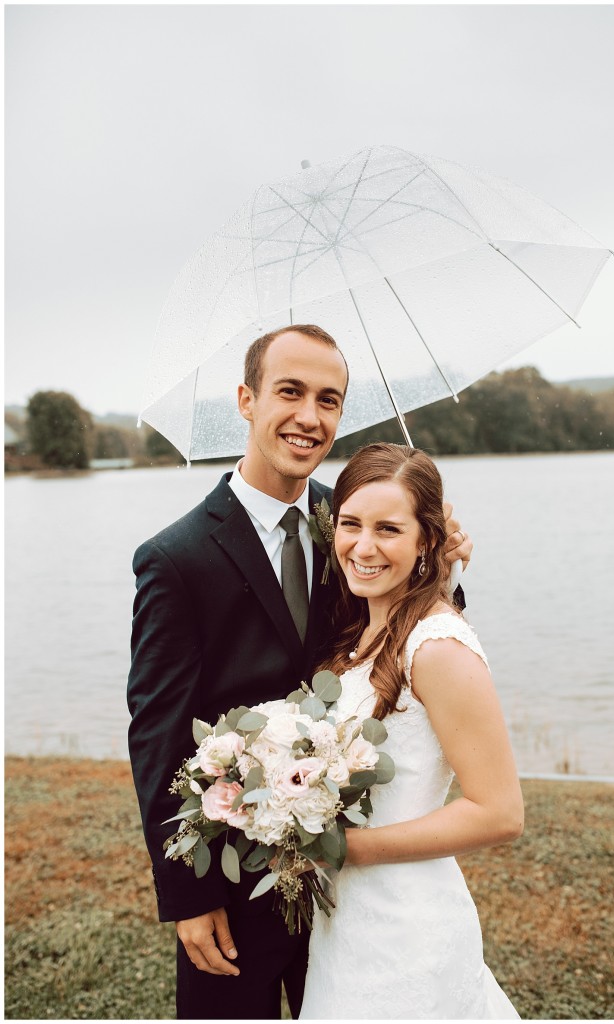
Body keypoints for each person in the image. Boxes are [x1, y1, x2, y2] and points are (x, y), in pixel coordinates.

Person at [127, 325, 473, 1020]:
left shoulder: (350, 520)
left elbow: (404, 632)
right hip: (233, 879)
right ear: (246, 400)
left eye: (330, 399)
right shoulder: (175, 558)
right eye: (290, 392)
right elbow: (157, 736)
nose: (311, 418)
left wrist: (445, 567)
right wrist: (188, 897)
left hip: (349, 889)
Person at [299, 442, 523, 1020]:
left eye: (389, 529)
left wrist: (344, 849)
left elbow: (499, 812)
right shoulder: (358, 634)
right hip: (345, 924)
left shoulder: (438, 647)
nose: (363, 547)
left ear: (427, 539)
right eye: (350, 523)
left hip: (408, 930)